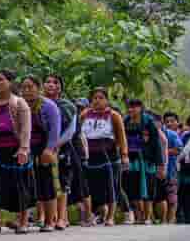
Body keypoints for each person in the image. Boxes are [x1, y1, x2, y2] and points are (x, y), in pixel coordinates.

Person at [0, 71, 34, 234]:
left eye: (1, 80)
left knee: (20, 185)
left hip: (15, 149)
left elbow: (26, 128)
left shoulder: (19, 103)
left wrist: (24, 149)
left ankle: (23, 221)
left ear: (10, 83)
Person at [79, 88, 128, 226]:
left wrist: (124, 155)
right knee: (91, 187)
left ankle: (110, 217)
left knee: (111, 187)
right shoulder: (84, 114)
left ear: (106, 100)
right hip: (90, 156)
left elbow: (122, 137)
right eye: (94, 98)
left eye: (101, 98)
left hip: (109, 156)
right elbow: (78, 134)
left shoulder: (114, 115)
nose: (97, 101)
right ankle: (92, 215)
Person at [20, 75, 62, 232]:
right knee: (25, 184)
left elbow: (54, 130)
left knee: (47, 184)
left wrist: (49, 149)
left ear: (38, 88)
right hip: (26, 148)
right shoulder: (19, 105)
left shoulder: (49, 106)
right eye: (24, 87)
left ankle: (49, 221)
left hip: (44, 148)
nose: (26, 90)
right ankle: (23, 221)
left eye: (30, 87)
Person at [45, 75, 83, 230]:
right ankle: (49, 218)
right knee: (46, 183)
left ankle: (61, 218)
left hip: (62, 148)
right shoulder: (38, 104)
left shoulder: (68, 106)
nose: (50, 85)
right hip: (43, 148)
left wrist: (55, 145)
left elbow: (71, 130)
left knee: (62, 183)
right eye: (47, 82)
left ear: (60, 87)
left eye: (55, 82)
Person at [122, 99, 166, 224]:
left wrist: (160, 164)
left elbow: (156, 143)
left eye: (134, 107)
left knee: (149, 188)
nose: (131, 110)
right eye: (129, 107)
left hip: (147, 161)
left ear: (140, 108)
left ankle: (147, 216)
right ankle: (139, 216)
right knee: (133, 187)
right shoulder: (125, 121)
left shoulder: (149, 121)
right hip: (132, 160)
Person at [159, 113, 183, 224]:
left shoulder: (172, 135)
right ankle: (164, 220)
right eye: (167, 121)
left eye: (172, 121)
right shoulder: (156, 133)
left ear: (177, 122)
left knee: (172, 197)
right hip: (159, 171)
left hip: (171, 170)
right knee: (161, 197)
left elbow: (179, 149)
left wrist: (164, 152)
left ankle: (171, 219)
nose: (169, 123)